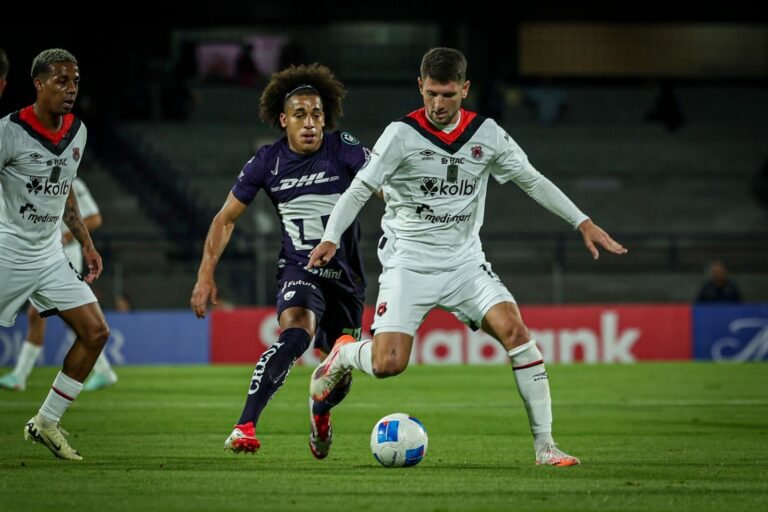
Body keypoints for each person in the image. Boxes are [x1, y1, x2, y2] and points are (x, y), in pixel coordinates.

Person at [307, 47, 628, 467]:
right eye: (432, 94)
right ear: (420, 86)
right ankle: (346, 352)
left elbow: (531, 180)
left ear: (465, 89)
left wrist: (581, 222)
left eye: (448, 95)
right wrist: (332, 235)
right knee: (388, 365)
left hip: (464, 265)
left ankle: (545, 446)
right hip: (409, 263)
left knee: (516, 332)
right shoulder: (400, 135)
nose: (439, 105)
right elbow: (361, 189)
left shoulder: (487, 134)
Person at [190, 64, 370, 458]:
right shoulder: (267, 162)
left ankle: (320, 413)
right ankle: (244, 425)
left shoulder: (344, 148)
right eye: (301, 115)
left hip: (347, 278)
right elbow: (225, 219)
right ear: (283, 119)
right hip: (300, 269)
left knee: (337, 376)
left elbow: (381, 181)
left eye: (317, 114)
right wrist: (205, 275)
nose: (310, 123)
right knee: (294, 335)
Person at [0, 48, 110, 460]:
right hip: (8, 252)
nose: (70, 89)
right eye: (61, 81)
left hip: (49, 255)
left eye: (75, 82)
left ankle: (46, 422)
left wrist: (86, 242)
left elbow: (64, 191)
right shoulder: (8, 132)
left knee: (96, 333)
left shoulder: (77, 131)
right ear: (38, 84)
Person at [0, 177, 117, 392]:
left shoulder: (73, 182)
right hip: (35, 255)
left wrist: (67, 236)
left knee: (41, 314)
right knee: (65, 319)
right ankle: (104, 370)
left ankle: (20, 375)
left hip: (62, 256)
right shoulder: (21, 175)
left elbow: (95, 218)